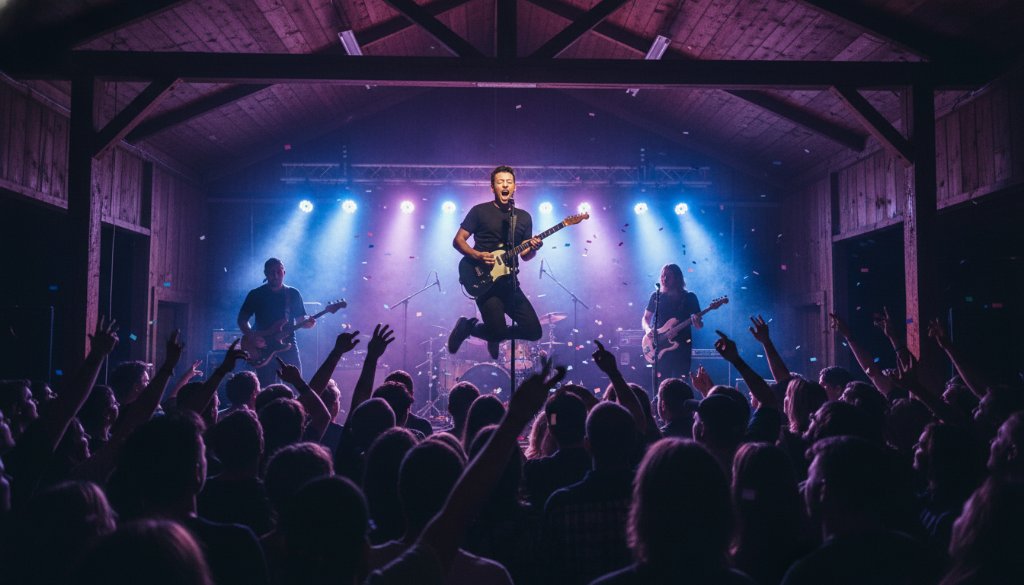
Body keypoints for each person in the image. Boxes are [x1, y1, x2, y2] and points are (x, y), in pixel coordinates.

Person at [448, 165, 543, 361]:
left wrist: (533, 247)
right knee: (498, 332)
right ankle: (474, 327)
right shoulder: (479, 211)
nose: (505, 185)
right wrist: (477, 255)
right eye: (500, 182)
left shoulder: (523, 217)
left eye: (509, 182)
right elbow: (458, 240)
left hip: (510, 284)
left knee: (534, 332)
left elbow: (525, 256)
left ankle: (480, 330)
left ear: (515, 186)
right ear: (493, 187)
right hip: (485, 281)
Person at [237, 257, 315, 386]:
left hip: (288, 346)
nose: (275, 275)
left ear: (284, 273)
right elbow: (242, 320)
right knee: (267, 388)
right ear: (266, 274)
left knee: (295, 386)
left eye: (279, 271)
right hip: (263, 346)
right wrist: (252, 337)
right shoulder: (256, 294)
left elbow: (302, 321)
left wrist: (309, 324)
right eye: (271, 272)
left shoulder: (293, 294)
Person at [641, 264, 702, 382]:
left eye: (668, 276)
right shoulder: (656, 296)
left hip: (682, 348)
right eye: (663, 276)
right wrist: (648, 330)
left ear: (678, 277)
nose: (664, 279)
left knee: (681, 382)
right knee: (661, 384)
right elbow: (646, 318)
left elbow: (699, 326)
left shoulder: (689, 297)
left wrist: (697, 321)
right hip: (659, 346)